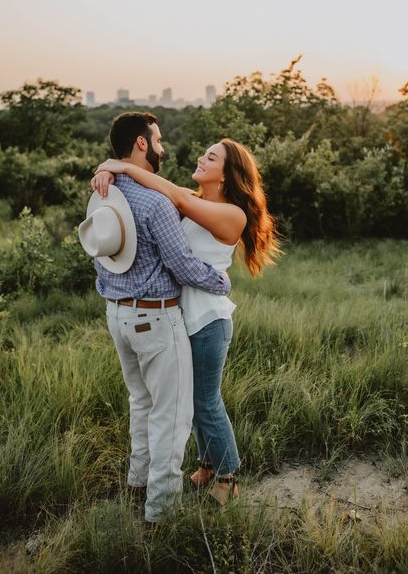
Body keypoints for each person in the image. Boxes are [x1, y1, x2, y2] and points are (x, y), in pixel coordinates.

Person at [93, 136, 280, 504]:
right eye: (204, 152)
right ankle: (207, 464)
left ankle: (228, 474)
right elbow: (161, 190)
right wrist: (105, 169)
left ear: (226, 176)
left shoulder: (232, 214)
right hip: (183, 318)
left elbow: (172, 196)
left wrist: (124, 166)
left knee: (206, 401)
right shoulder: (195, 200)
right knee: (187, 400)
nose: (201, 158)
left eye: (211, 157)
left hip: (208, 321)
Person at [89, 112, 231, 523]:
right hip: (155, 319)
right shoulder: (155, 203)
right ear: (140, 144)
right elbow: (185, 267)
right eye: (158, 140)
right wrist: (220, 281)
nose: (163, 147)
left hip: (116, 316)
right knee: (171, 417)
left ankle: (137, 485)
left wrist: (105, 169)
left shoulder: (102, 193)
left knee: (141, 403)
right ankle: (160, 514)